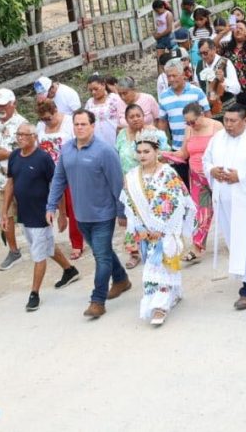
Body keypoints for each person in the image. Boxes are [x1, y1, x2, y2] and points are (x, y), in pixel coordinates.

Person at [46, 110, 131, 319]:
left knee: (101, 257)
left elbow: (116, 183)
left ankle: (97, 300)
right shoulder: (66, 150)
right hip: (81, 216)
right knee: (104, 253)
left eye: (84, 124)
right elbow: (58, 180)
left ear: (93, 126)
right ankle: (121, 279)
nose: (80, 128)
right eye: (76, 124)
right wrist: (50, 207)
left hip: (103, 214)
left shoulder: (105, 151)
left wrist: (121, 212)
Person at [2, 123, 80, 311]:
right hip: (24, 213)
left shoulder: (43, 159)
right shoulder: (13, 156)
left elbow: (57, 185)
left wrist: (61, 213)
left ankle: (34, 293)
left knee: (38, 253)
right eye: (18, 134)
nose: (20, 138)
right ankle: (70, 270)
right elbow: (10, 184)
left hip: (42, 214)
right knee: (46, 245)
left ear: (34, 136)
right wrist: (5, 212)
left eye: (24, 134)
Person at [203, 105, 246, 310]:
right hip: (225, 201)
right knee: (235, 240)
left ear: (245, 121)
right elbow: (206, 160)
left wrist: (240, 176)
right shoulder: (217, 139)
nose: (228, 125)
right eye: (225, 120)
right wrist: (212, 170)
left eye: (233, 121)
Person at [121, 130, 195, 325]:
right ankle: (173, 293)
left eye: (147, 151)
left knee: (160, 266)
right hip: (145, 231)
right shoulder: (131, 177)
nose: (142, 155)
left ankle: (159, 306)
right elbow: (130, 205)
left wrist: (161, 228)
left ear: (156, 151)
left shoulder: (168, 173)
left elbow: (175, 202)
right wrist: (139, 228)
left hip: (165, 230)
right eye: (139, 152)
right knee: (154, 266)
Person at [173, 103, 224, 264]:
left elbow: (226, 150)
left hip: (216, 175)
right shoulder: (189, 130)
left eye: (193, 121)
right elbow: (183, 153)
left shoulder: (217, 127)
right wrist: (165, 155)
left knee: (226, 208)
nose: (191, 125)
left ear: (202, 114)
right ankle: (197, 247)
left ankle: (238, 239)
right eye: (187, 123)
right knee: (201, 212)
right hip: (196, 177)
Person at [35, 99, 85, 261]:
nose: (46, 122)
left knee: (73, 208)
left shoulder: (70, 122)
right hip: (49, 173)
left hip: (69, 170)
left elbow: (79, 143)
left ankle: (77, 243)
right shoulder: (41, 126)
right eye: (43, 119)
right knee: (53, 207)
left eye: (48, 118)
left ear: (56, 110)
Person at [0, 88, 27, 271]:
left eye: (3, 105)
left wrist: (8, 154)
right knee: (6, 215)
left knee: (31, 214)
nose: (0, 108)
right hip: (0, 179)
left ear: (13, 104)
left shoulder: (22, 125)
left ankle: (43, 244)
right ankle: (14, 251)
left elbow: (30, 152)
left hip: (22, 178)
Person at [157, 58, 210, 153]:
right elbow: (162, 122)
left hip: (198, 147)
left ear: (182, 75)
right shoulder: (164, 96)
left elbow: (208, 115)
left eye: (174, 76)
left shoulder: (197, 92)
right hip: (177, 148)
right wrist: (162, 143)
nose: (171, 79)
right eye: (168, 76)